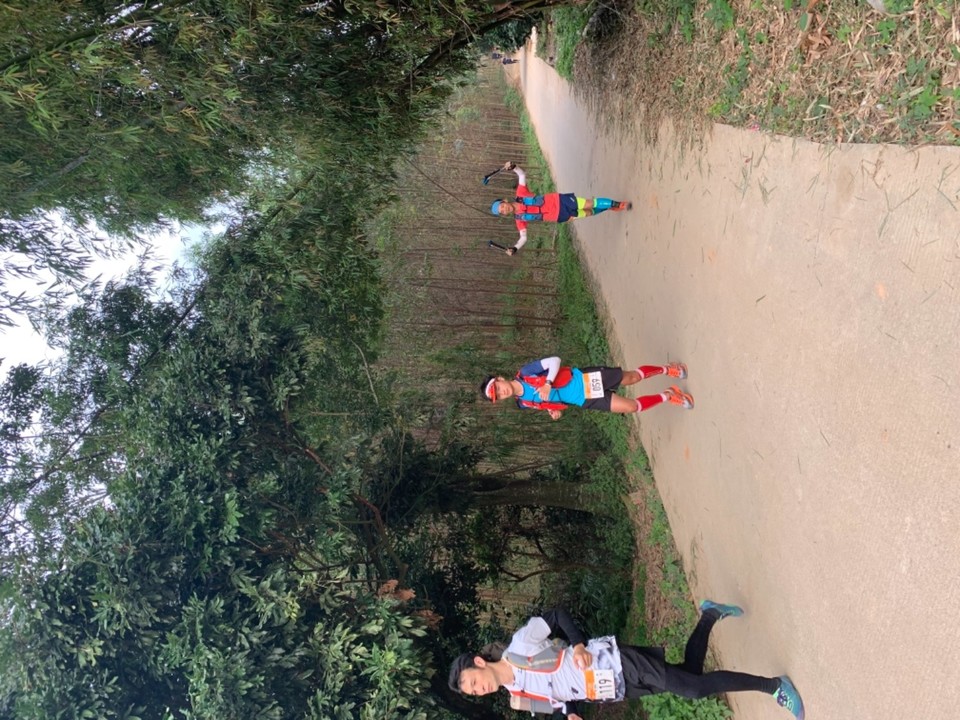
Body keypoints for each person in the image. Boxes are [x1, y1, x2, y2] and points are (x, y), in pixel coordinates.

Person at [448, 604, 805, 720]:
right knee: (690, 675)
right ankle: (709, 615)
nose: (480, 690)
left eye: (474, 682)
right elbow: (559, 700)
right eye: (475, 693)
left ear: (479, 662)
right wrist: (569, 714)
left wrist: (577, 645)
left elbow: (556, 614)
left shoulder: (520, 645)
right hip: (612, 689)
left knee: (693, 689)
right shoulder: (518, 698)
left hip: (612, 662)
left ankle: (774, 686)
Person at [480, 356, 693, 419]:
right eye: (498, 395)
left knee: (632, 378)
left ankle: (668, 369)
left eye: (497, 387)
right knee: (631, 407)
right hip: (584, 399)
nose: (502, 392)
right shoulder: (523, 403)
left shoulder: (527, 372)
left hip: (584, 380)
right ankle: (669, 395)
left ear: (500, 378)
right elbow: (546, 401)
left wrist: (547, 383)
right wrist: (552, 410)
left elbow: (555, 361)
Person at [490, 162, 631, 255]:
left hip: (560, 200)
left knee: (589, 203)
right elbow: (523, 238)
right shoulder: (519, 220)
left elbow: (521, 175)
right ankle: (608, 207)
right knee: (588, 213)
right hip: (559, 216)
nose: (504, 210)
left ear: (505, 201)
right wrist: (515, 248)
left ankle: (618, 204)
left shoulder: (520, 193)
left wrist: (513, 167)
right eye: (502, 212)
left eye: (502, 206)